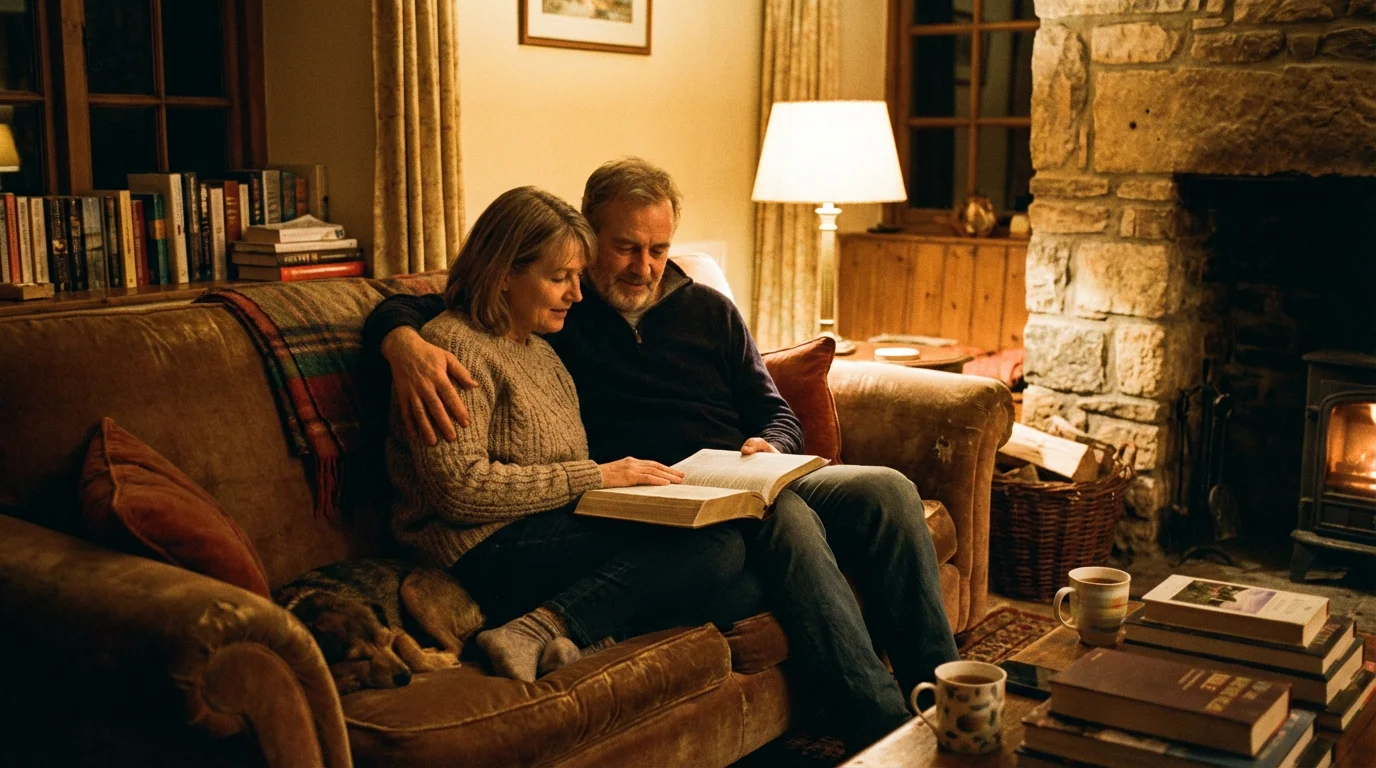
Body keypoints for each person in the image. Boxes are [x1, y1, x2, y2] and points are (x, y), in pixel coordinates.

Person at [364, 159, 960, 748]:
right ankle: (883, 728)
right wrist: (399, 342)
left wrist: (769, 445)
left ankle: (947, 692)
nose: (643, 266)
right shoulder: (559, 315)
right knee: (772, 532)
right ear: (591, 235)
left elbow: (776, 411)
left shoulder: (706, 310)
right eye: (625, 248)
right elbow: (434, 307)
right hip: (658, 498)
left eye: (658, 248)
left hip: (742, 472)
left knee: (887, 489)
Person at [387, 185, 749, 683]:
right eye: (559, 278)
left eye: (577, 276)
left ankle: (579, 632)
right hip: (477, 547)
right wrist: (596, 477)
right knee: (715, 549)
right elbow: (460, 492)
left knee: (743, 583)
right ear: (504, 273)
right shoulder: (454, 349)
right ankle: (535, 630)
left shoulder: (543, 353)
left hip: (547, 529)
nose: (576, 295)